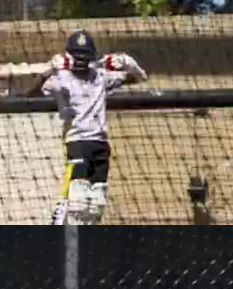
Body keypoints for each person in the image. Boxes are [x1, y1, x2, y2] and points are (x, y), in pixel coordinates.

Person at [34, 29, 148, 224]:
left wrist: (128, 62)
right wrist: (47, 72)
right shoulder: (60, 79)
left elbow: (140, 77)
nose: (81, 61)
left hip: (101, 143)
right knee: (77, 201)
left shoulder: (100, 76)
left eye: (85, 56)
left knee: (96, 203)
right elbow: (30, 94)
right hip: (77, 142)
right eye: (77, 56)